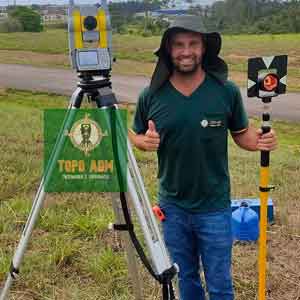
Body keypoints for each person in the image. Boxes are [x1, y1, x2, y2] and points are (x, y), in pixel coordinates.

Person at [128, 16, 277, 300]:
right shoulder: (152, 95)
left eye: (193, 43)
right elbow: (134, 135)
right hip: (173, 208)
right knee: (186, 279)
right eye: (179, 45)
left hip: (215, 207)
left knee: (220, 283)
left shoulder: (225, 91)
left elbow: (242, 135)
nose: (186, 51)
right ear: (168, 50)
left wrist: (261, 141)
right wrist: (143, 142)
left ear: (204, 48)